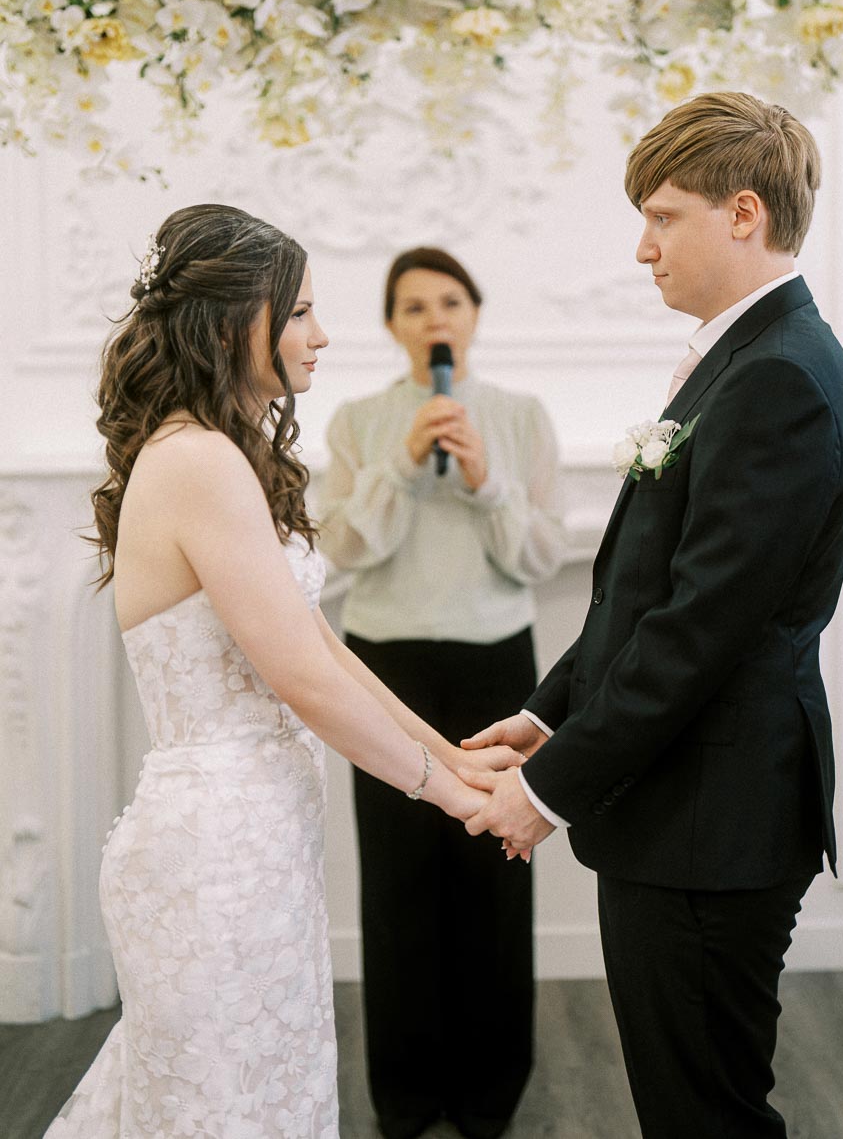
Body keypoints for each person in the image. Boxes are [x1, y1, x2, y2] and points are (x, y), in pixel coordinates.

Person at [47, 205, 518, 1139]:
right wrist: (455, 797)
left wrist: (458, 758)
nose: (321, 334)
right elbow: (301, 676)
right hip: (211, 856)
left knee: (265, 1094)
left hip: (258, 845)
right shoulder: (197, 460)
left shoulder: (228, 452)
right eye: (298, 312)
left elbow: (324, 651)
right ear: (233, 323)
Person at [462, 93, 843, 1139]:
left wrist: (546, 793)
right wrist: (549, 714)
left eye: (662, 216)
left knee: (705, 1116)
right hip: (686, 810)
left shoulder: (778, 377)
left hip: (711, 820)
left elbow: (699, 634)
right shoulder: (744, 358)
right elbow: (645, 591)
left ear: (744, 212)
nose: (642, 249)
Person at [318, 247, 566, 1139]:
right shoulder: (355, 420)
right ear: (391, 325)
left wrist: (483, 479)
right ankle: (408, 1096)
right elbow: (340, 553)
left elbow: (540, 556)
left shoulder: (520, 416)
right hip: (384, 669)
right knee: (397, 880)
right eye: (414, 306)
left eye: (450, 302)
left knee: (494, 876)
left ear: (474, 314)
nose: (434, 320)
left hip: (496, 667)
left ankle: (491, 1091)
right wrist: (399, 459)